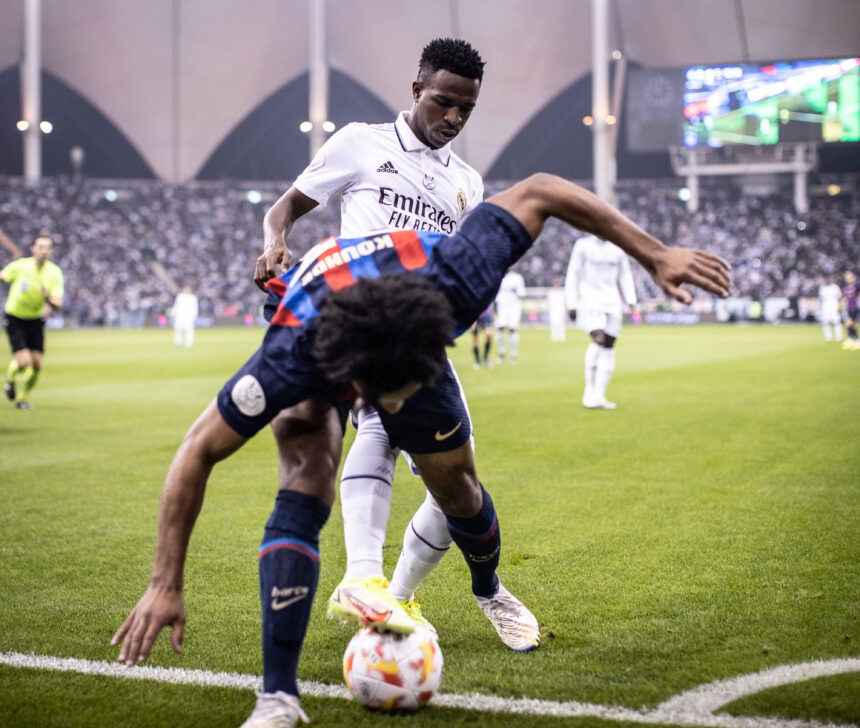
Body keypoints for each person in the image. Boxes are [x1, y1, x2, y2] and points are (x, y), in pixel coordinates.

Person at [112, 172, 730, 728]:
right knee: (307, 471)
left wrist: (656, 254)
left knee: (458, 486)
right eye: (386, 397)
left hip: (396, 308)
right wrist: (164, 583)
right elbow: (196, 452)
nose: (393, 407)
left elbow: (543, 190)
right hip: (315, 315)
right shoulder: (291, 356)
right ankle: (277, 699)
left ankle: (487, 586)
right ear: (359, 380)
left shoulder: (457, 276)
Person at [254, 38, 533, 647]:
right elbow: (284, 209)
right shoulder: (360, 142)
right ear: (416, 92)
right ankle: (365, 578)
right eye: (443, 102)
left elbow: (459, 263)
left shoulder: (468, 182)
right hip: (358, 319)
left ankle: (401, 594)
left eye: (466, 108)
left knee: (456, 484)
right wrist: (274, 242)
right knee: (378, 425)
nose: (454, 118)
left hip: (422, 334)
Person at [565, 234, 638, 410]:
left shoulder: (618, 248)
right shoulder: (583, 246)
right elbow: (573, 273)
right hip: (590, 299)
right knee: (599, 338)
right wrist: (571, 302)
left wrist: (631, 300)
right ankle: (588, 392)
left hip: (613, 301)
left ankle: (599, 395)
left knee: (609, 345)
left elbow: (625, 275)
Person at [2, 234, 64, 410]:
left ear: (50, 251)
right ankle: (11, 380)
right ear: (33, 248)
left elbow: (58, 304)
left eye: (47, 248)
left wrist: (47, 298)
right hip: (15, 317)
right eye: (40, 247)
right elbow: (3, 276)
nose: (44, 251)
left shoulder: (54, 273)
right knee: (24, 362)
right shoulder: (21, 266)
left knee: (37, 365)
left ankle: (22, 399)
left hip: (35, 320)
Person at [494, 268, 526, 363]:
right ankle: (501, 353)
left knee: (513, 330)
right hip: (501, 307)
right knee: (500, 328)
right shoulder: (498, 276)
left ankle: (513, 355)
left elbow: (522, 293)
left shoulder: (517, 278)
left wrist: (515, 291)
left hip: (513, 308)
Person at [171, 283, 199, 348]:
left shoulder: (193, 297)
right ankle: (177, 342)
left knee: (189, 330)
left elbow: (195, 308)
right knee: (178, 330)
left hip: (188, 317)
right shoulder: (180, 296)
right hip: (180, 316)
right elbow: (176, 305)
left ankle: (188, 343)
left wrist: (194, 316)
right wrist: (173, 313)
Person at [817, 277, 843, 343]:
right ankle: (828, 337)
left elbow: (840, 297)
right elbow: (821, 298)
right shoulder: (822, 288)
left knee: (836, 321)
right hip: (825, 306)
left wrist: (840, 306)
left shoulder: (835, 287)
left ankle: (839, 337)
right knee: (825, 322)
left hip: (834, 304)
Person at [841, 271, 858, 351]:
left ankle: (854, 340)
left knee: (850, 323)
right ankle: (852, 340)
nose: (846, 278)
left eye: (848, 276)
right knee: (849, 324)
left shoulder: (856, 286)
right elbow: (845, 297)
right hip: (848, 307)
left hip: (854, 307)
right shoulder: (846, 287)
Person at [547, 278, 567, 342]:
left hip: (561, 309)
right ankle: (554, 337)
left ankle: (561, 337)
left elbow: (565, 302)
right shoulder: (551, 293)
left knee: (561, 323)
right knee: (553, 323)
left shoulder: (562, 292)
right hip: (553, 310)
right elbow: (549, 302)